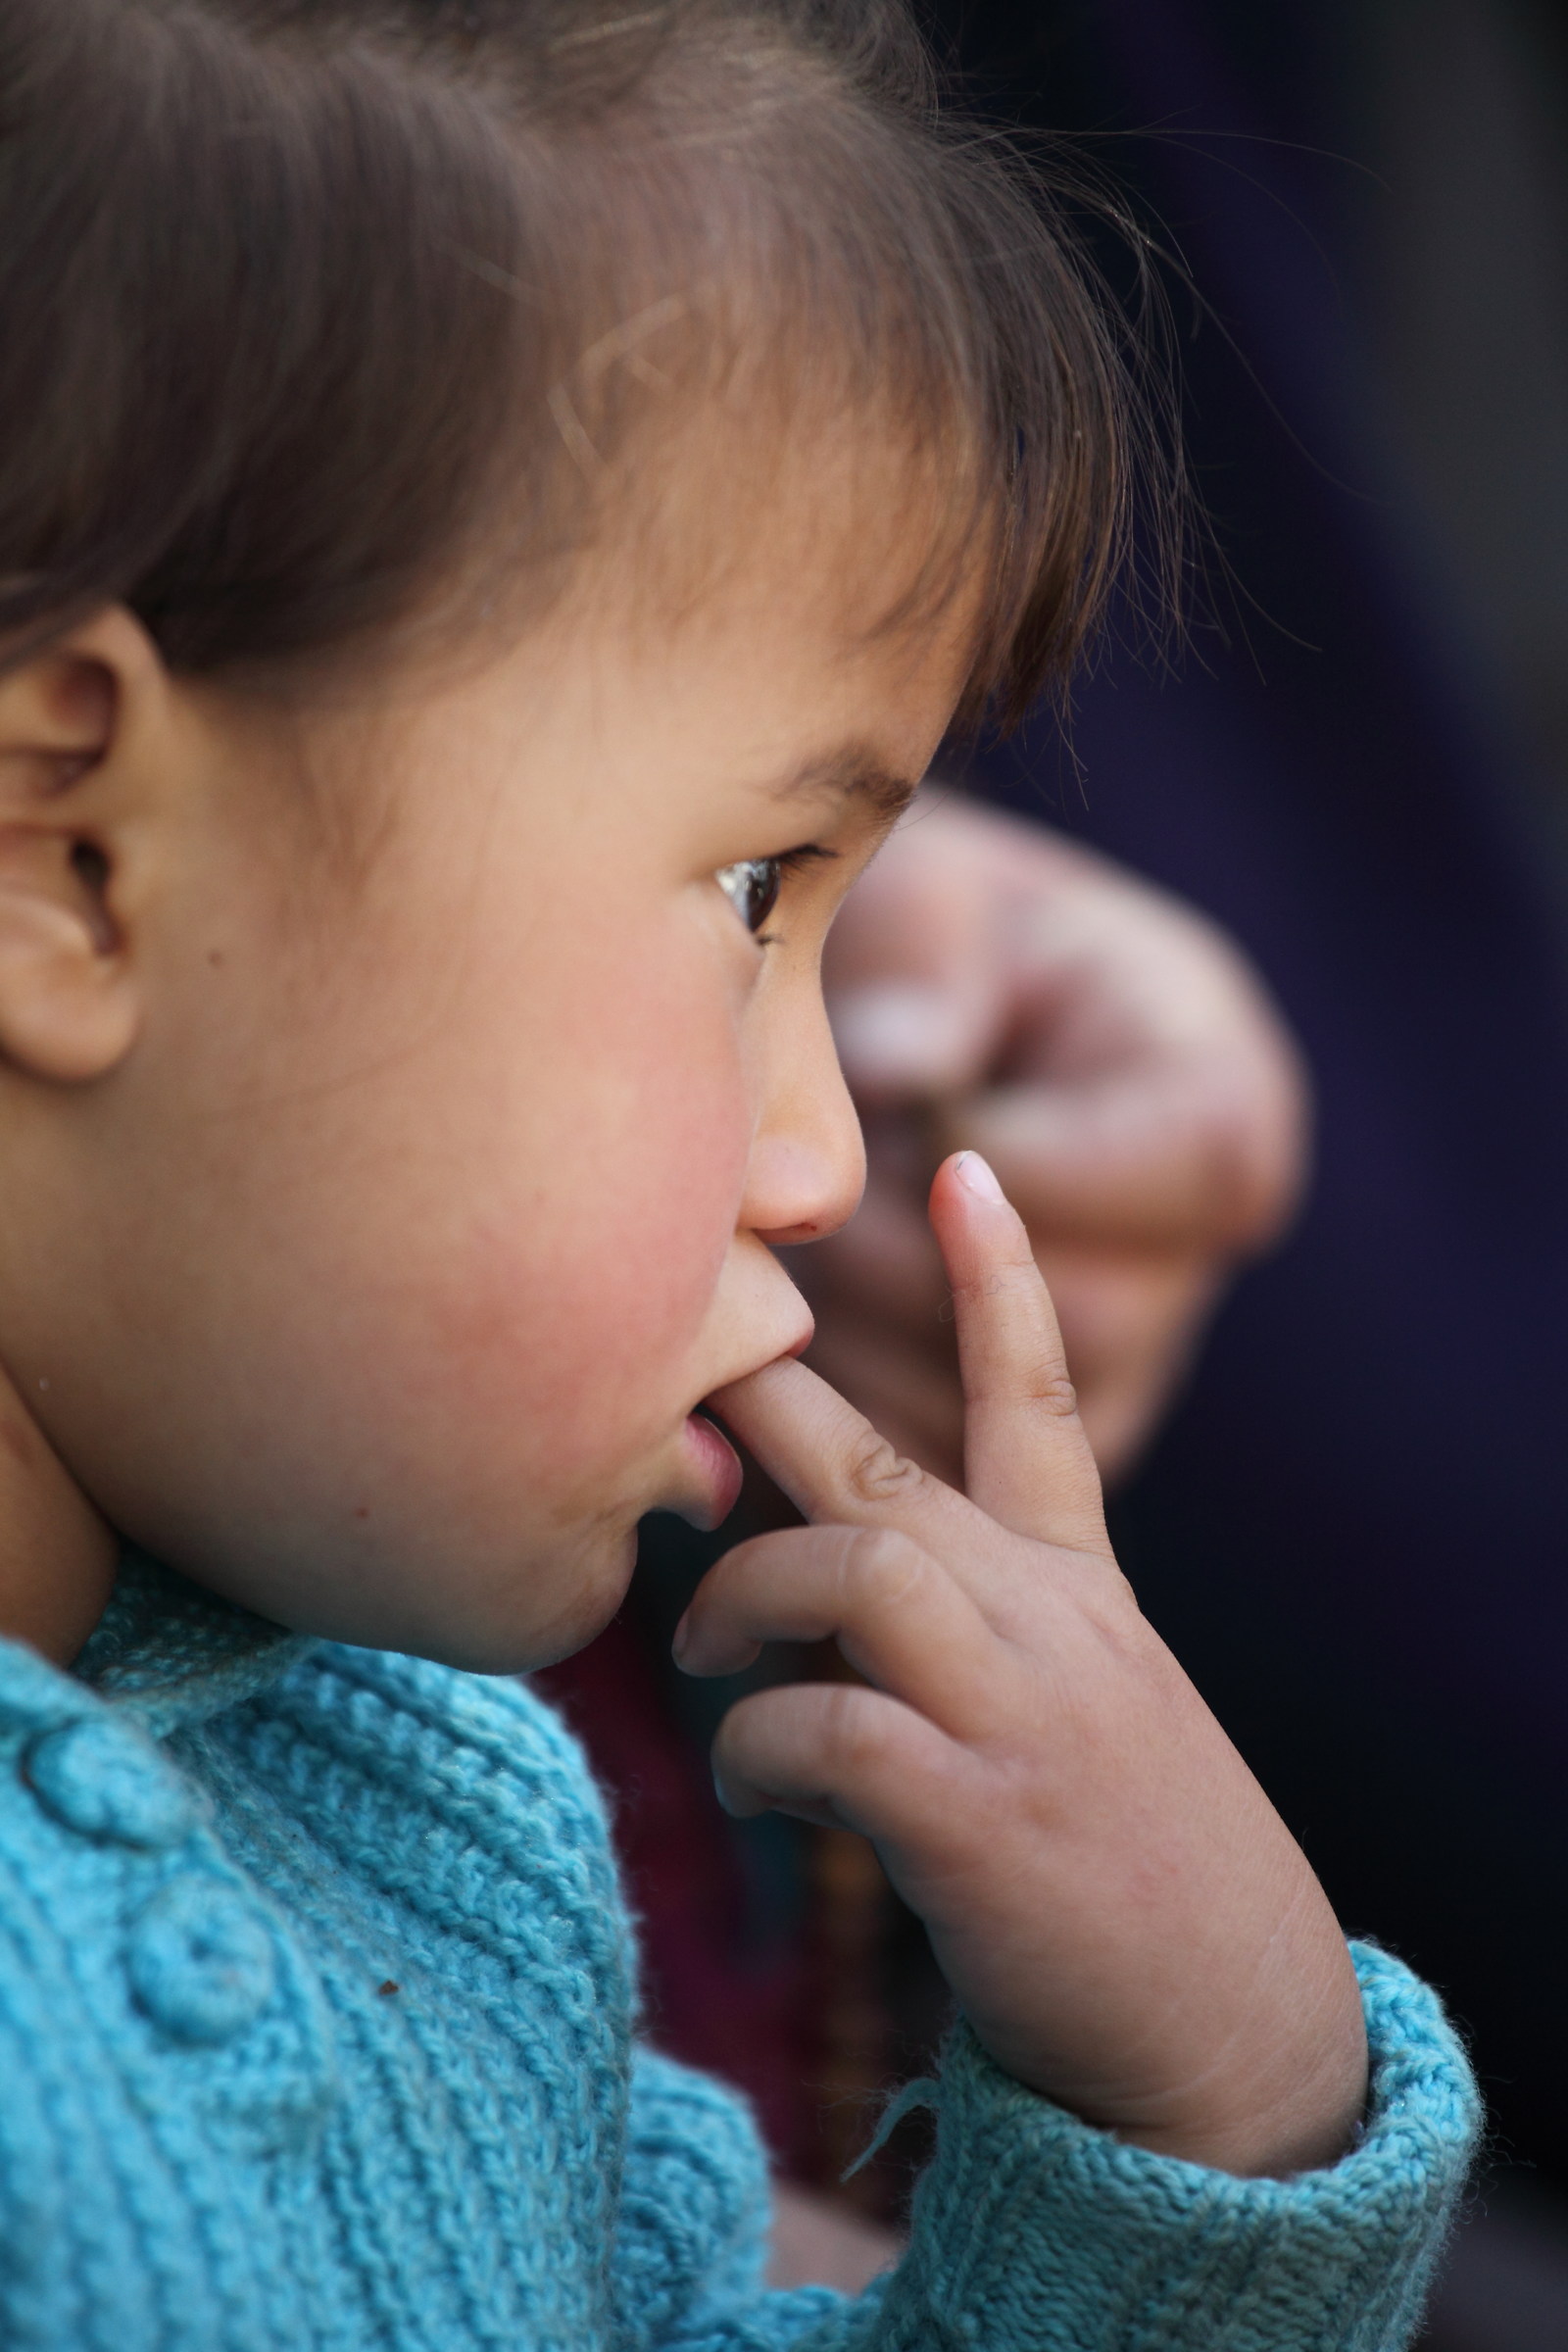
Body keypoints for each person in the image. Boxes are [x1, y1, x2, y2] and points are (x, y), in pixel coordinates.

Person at [0, 1, 1477, 2345]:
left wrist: (1214, 2107)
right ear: (68, 855)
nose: (814, 1157)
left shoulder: (437, 1816)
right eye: (755, 892)